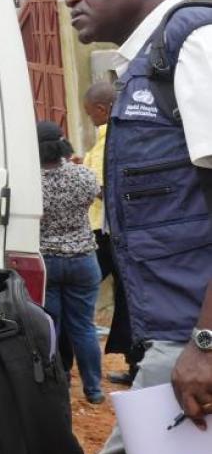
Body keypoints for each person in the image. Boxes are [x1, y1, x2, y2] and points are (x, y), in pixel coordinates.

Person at [42, 0, 212, 454]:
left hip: (193, 338)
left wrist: (206, 344)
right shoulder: (147, 65)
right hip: (173, 334)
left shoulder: (193, 44)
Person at [37, 120, 105, 404]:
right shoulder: (83, 176)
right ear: (63, 143)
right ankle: (94, 389)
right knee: (84, 327)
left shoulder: (30, 181)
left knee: (51, 325)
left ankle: (58, 383)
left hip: (47, 262)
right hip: (83, 260)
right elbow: (100, 195)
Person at [81, 82, 142, 386]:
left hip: (109, 233)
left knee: (84, 288)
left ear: (102, 110)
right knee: (124, 296)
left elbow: (109, 190)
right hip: (109, 231)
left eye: (90, 112)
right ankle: (134, 363)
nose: (89, 117)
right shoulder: (110, 137)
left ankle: (134, 364)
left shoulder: (110, 140)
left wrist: (84, 184)